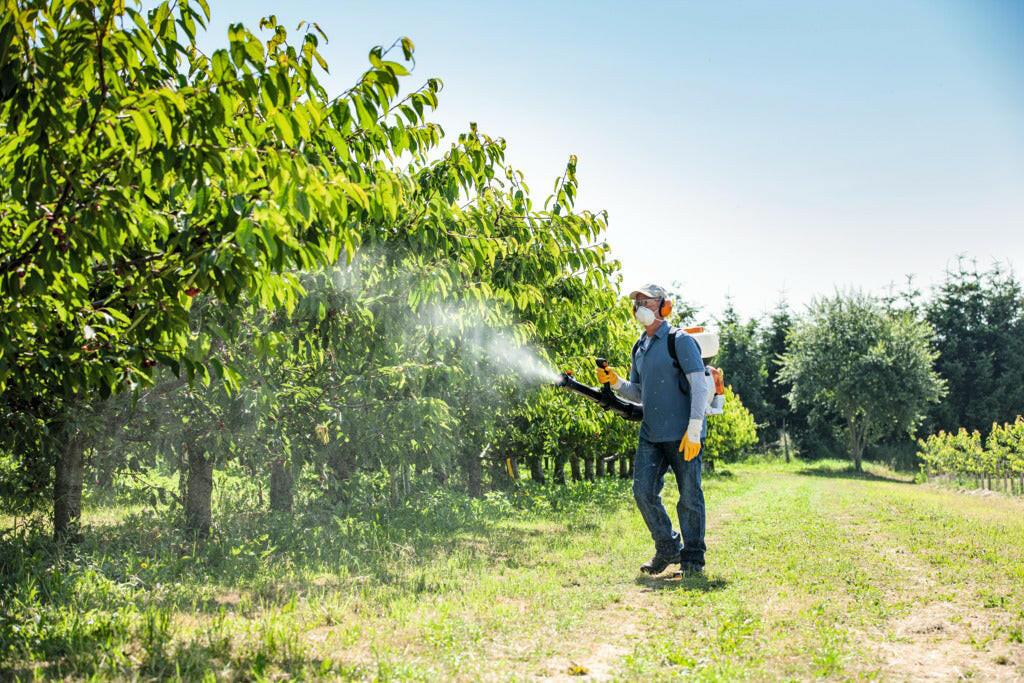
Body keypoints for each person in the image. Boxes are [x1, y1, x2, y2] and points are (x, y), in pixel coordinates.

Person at [596, 284, 710, 575]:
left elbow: (699, 384)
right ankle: (668, 547)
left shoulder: (679, 341)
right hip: (652, 432)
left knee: (689, 495)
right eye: (636, 302)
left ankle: (693, 557)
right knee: (643, 492)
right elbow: (640, 393)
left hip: (684, 433)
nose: (639, 307)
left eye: (645, 301)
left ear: (664, 306)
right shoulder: (640, 347)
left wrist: (694, 428)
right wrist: (617, 382)